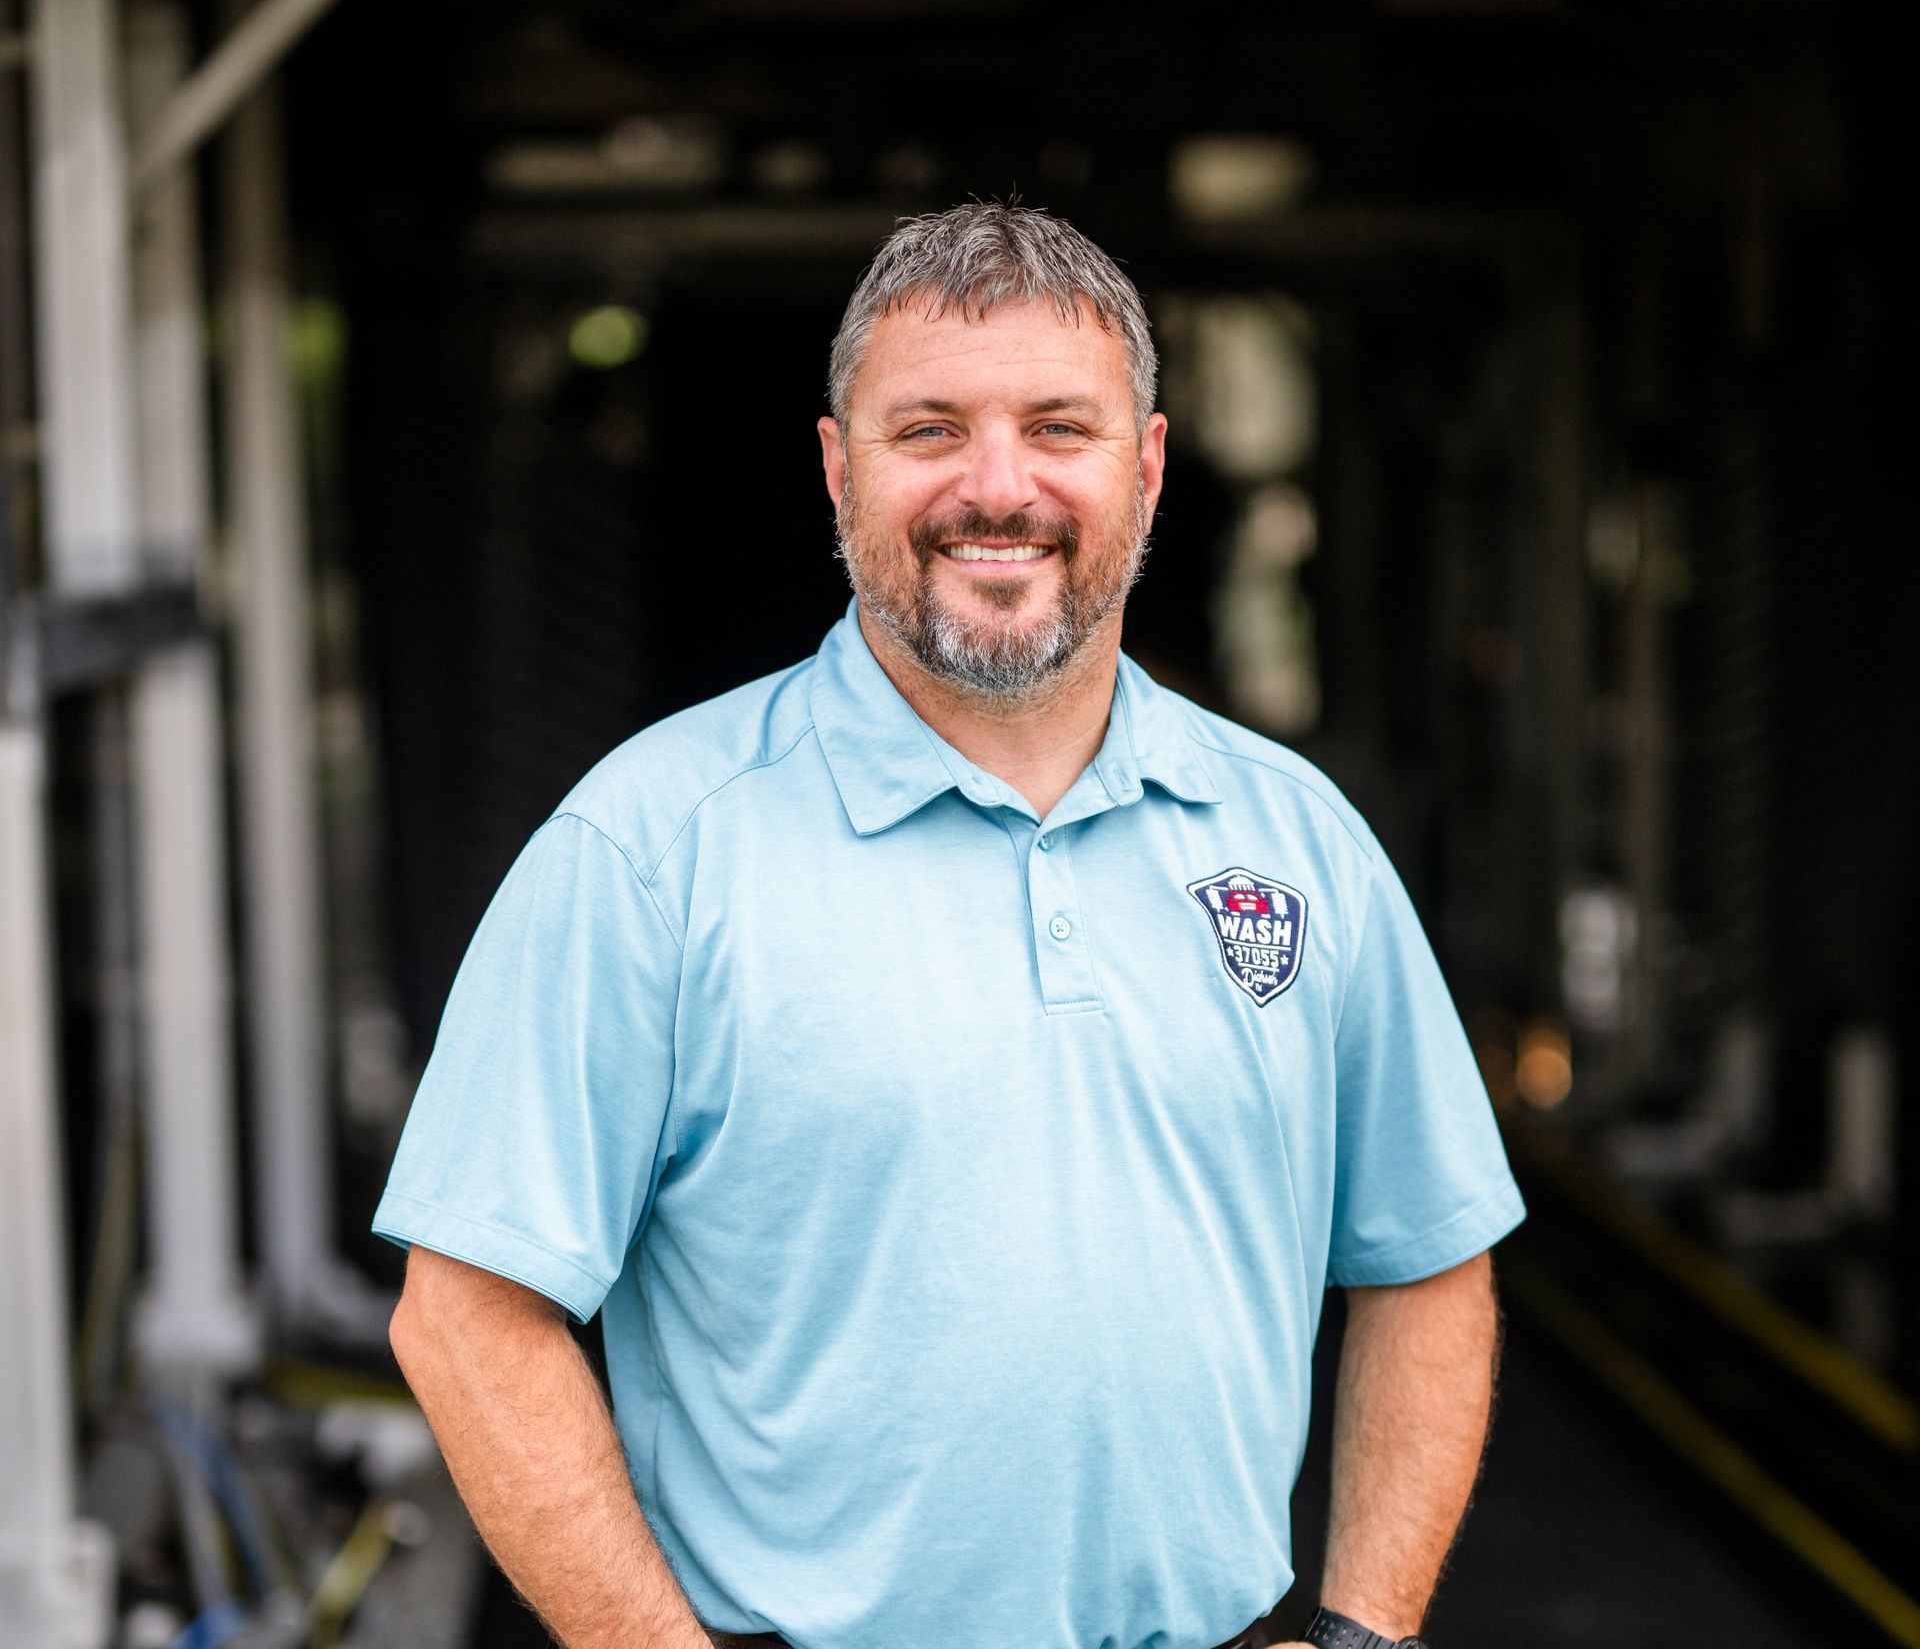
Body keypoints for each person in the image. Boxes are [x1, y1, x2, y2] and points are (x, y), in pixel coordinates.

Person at [375, 202, 1526, 1649]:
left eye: (1061, 428)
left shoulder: (1298, 842)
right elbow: (465, 1316)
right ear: (836, 467)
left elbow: (1427, 1256)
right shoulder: (649, 850)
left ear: (1150, 469)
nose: (1000, 487)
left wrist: (1362, 1635)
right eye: (930, 431)